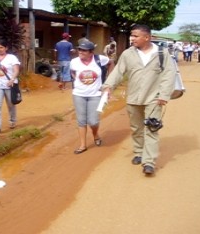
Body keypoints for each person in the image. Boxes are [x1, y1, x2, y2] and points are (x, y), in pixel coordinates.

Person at [101, 24, 175, 175]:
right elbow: (118, 72)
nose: (131, 38)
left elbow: (169, 74)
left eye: (135, 36)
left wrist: (164, 94)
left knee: (152, 128)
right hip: (133, 97)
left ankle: (149, 162)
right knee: (136, 128)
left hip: (154, 98)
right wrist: (108, 86)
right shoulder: (128, 54)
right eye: (131, 35)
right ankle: (139, 152)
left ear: (147, 37)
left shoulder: (162, 53)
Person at [70, 41, 114, 154]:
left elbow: (111, 62)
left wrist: (109, 81)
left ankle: (95, 134)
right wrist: (77, 80)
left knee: (93, 121)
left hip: (96, 95)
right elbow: (73, 72)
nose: (80, 52)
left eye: (84, 50)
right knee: (81, 121)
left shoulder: (100, 59)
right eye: (79, 49)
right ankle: (82, 145)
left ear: (91, 52)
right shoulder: (74, 62)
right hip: (79, 94)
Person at [0, 39, 21, 135]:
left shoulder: (12, 58)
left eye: (1, 47)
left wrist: (12, 79)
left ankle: (12, 121)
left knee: (11, 105)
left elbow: (16, 70)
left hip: (9, 85)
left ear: (6, 48)